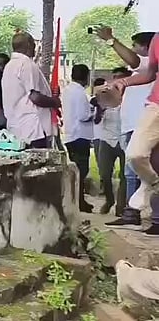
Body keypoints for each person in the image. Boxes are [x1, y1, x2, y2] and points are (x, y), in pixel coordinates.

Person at [98, 28, 158, 230]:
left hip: (140, 122)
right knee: (134, 163)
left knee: (141, 166)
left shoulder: (142, 60)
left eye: (135, 45)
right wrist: (123, 81)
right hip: (143, 116)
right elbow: (146, 72)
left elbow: (134, 60)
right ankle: (140, 202)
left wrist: (111, 40)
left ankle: (143, 211)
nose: (132, 49)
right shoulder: (154, 48)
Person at [1, 32, 61, 148]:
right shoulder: (26, 63)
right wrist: (55, 102)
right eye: (34, 44)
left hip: (16, 126)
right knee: (38, 164)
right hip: (32, 128)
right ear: (29, 45)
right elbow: (35, 97)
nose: (35, 48)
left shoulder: (9, 65)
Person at [62, 64, 95, 212]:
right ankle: (79, 202)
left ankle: (75, 200)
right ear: (86, 77)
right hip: (81, 135)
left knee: (75, 171)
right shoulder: (81, 92)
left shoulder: (67, 91)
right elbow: (84, 116)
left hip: (70, 134)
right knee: (81, 171)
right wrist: (94, 113)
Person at [94, 70, 127, 216]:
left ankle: (121, 208)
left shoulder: (130, 97)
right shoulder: (105, 96)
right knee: (105, 174)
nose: (116, 81)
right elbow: (96, 120)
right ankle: (109, 200)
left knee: (125, 176)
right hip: (107, 139)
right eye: (114, 78)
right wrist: (100, 108)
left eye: (119, 78)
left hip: (124, 138)